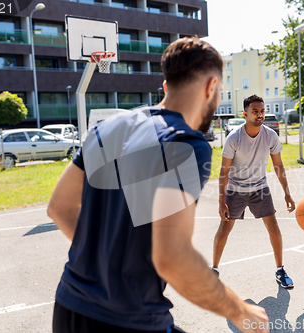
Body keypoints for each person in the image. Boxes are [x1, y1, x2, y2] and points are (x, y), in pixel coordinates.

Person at [47, 37, 269, 333]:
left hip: (69, 309)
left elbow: (59, 208)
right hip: (129, 320)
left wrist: (107, 261)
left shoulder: (108, 127)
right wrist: (241, 312)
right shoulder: (185, 143)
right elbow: (173, 258)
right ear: (211, 87)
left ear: (166, 87)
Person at [212, 94, 296, 289]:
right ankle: (214, 269)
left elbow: (278, 165)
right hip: (235, 188)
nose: (260, 115)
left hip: (260, 187)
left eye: (262, 111)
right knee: (225, 228)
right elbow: (224, 171)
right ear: (245, 114)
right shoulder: (234, 138)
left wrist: (287, 192)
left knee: (273, 226)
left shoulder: (270, 135)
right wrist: (220, 200)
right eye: (255, 111)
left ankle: (280, 270)